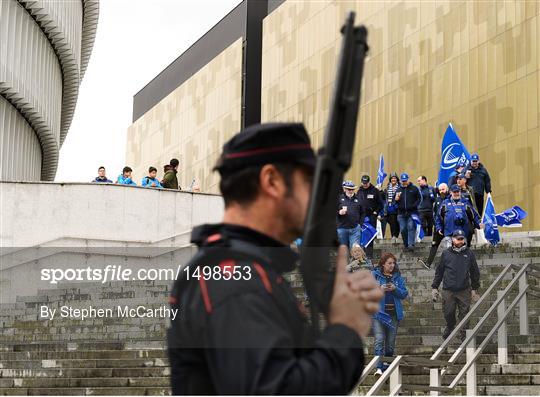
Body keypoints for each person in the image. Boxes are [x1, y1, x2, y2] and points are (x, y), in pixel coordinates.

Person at [167, 122, 384, 394]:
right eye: (309, 182)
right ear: (271, 181)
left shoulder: (241, 271)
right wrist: (345, 329)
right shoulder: (234, 279)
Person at [431, 229, 480, 340]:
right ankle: (450, 325)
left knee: (465, 313)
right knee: (448, 312)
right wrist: (434, 287)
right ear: (453, 239)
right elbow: (440, 271)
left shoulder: (469, 253)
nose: (460, 241)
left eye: (462, 238)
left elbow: (474, 271)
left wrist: (474, 289)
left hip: (464, 289)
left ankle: (464, 336)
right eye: (458, 238)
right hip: (448, 289)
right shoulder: (446, 253)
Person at [371, 252, 408, 374]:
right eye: (389, 263)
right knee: (379, 339)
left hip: (393, 314)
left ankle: (386, 363)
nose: (392, 265)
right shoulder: (374, 275)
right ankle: (378, 367)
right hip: (378, 314)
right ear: (383, 264)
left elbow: (404, 294)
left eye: (393, 263)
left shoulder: (397, 277)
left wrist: (395, 289)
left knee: (390, 344)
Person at [418, 183, 449, 269]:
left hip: (450, 227)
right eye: (440, 190)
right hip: (439, 227)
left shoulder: (451, 199)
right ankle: (428, 263)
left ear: (447, 189)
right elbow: (435, 214)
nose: (441, 191)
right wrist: (437, 225)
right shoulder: (437, 200)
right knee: (434, 244)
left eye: (443, 189)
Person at [356, 175, 384, 258]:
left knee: (370, 235)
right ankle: (363, 254)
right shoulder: (359, 191)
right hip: (362, 217)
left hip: (371, 216)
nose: (365, 185)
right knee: (362, 234)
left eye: (366, 183)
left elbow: (381, 204)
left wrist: (376, 212)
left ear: (369, 182)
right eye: (363, 183)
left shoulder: (375, 191)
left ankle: (369, 255)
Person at [395, 173, 421, 251]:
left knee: (410, 227)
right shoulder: (398, 189)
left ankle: (411, 244)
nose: (404, 182)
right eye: (403, 181)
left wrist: (414, 205)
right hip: (401, 213)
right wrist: (396, 200)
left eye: (405, 181)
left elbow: (419, 199)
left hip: (412, 213)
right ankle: (406, 244)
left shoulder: (414, 188)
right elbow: (394, 201)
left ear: (408, 180)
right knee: (403, 229)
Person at [337, 181, 364, 250]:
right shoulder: (339, 198)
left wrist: (360, 224)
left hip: (355, 228)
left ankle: (354, 261)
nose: (351, 191)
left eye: (352, 189)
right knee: (343, 249)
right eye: (349, 189)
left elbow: (363, 213)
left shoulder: (359, 199)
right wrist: (339, 212)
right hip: (342, 228)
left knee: (355, 249)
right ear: (345, 189)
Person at [380, 172, 400, 239]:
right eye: (392, 178)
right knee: (392, 223)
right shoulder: (387, 188)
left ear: (397, 179)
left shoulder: (400, 188)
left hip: (397, 208)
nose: (393, 179)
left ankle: (395, 235)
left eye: (394, 178)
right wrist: (380, 191)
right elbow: (384, 197)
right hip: (389, 208)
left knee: (396, 223)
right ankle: (393, 236)